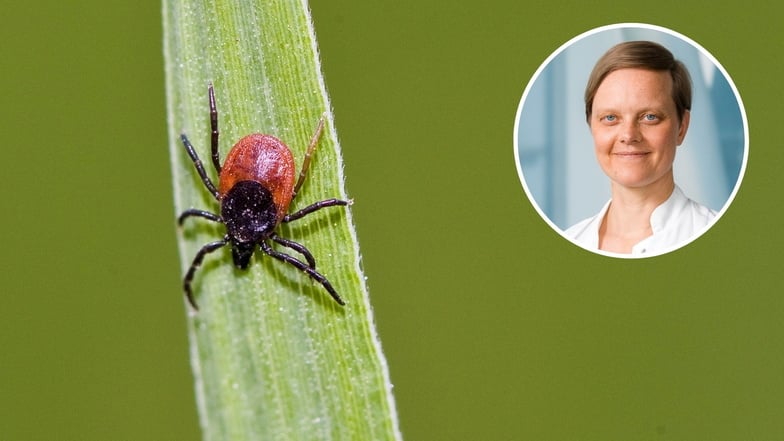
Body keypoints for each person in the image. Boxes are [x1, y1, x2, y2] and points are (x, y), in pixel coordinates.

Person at [565, 41, 716, 256]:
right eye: (610, 118)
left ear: (682, 127)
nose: (628, 135)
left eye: (650, 117)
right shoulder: (569, 241)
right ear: (592, 126)